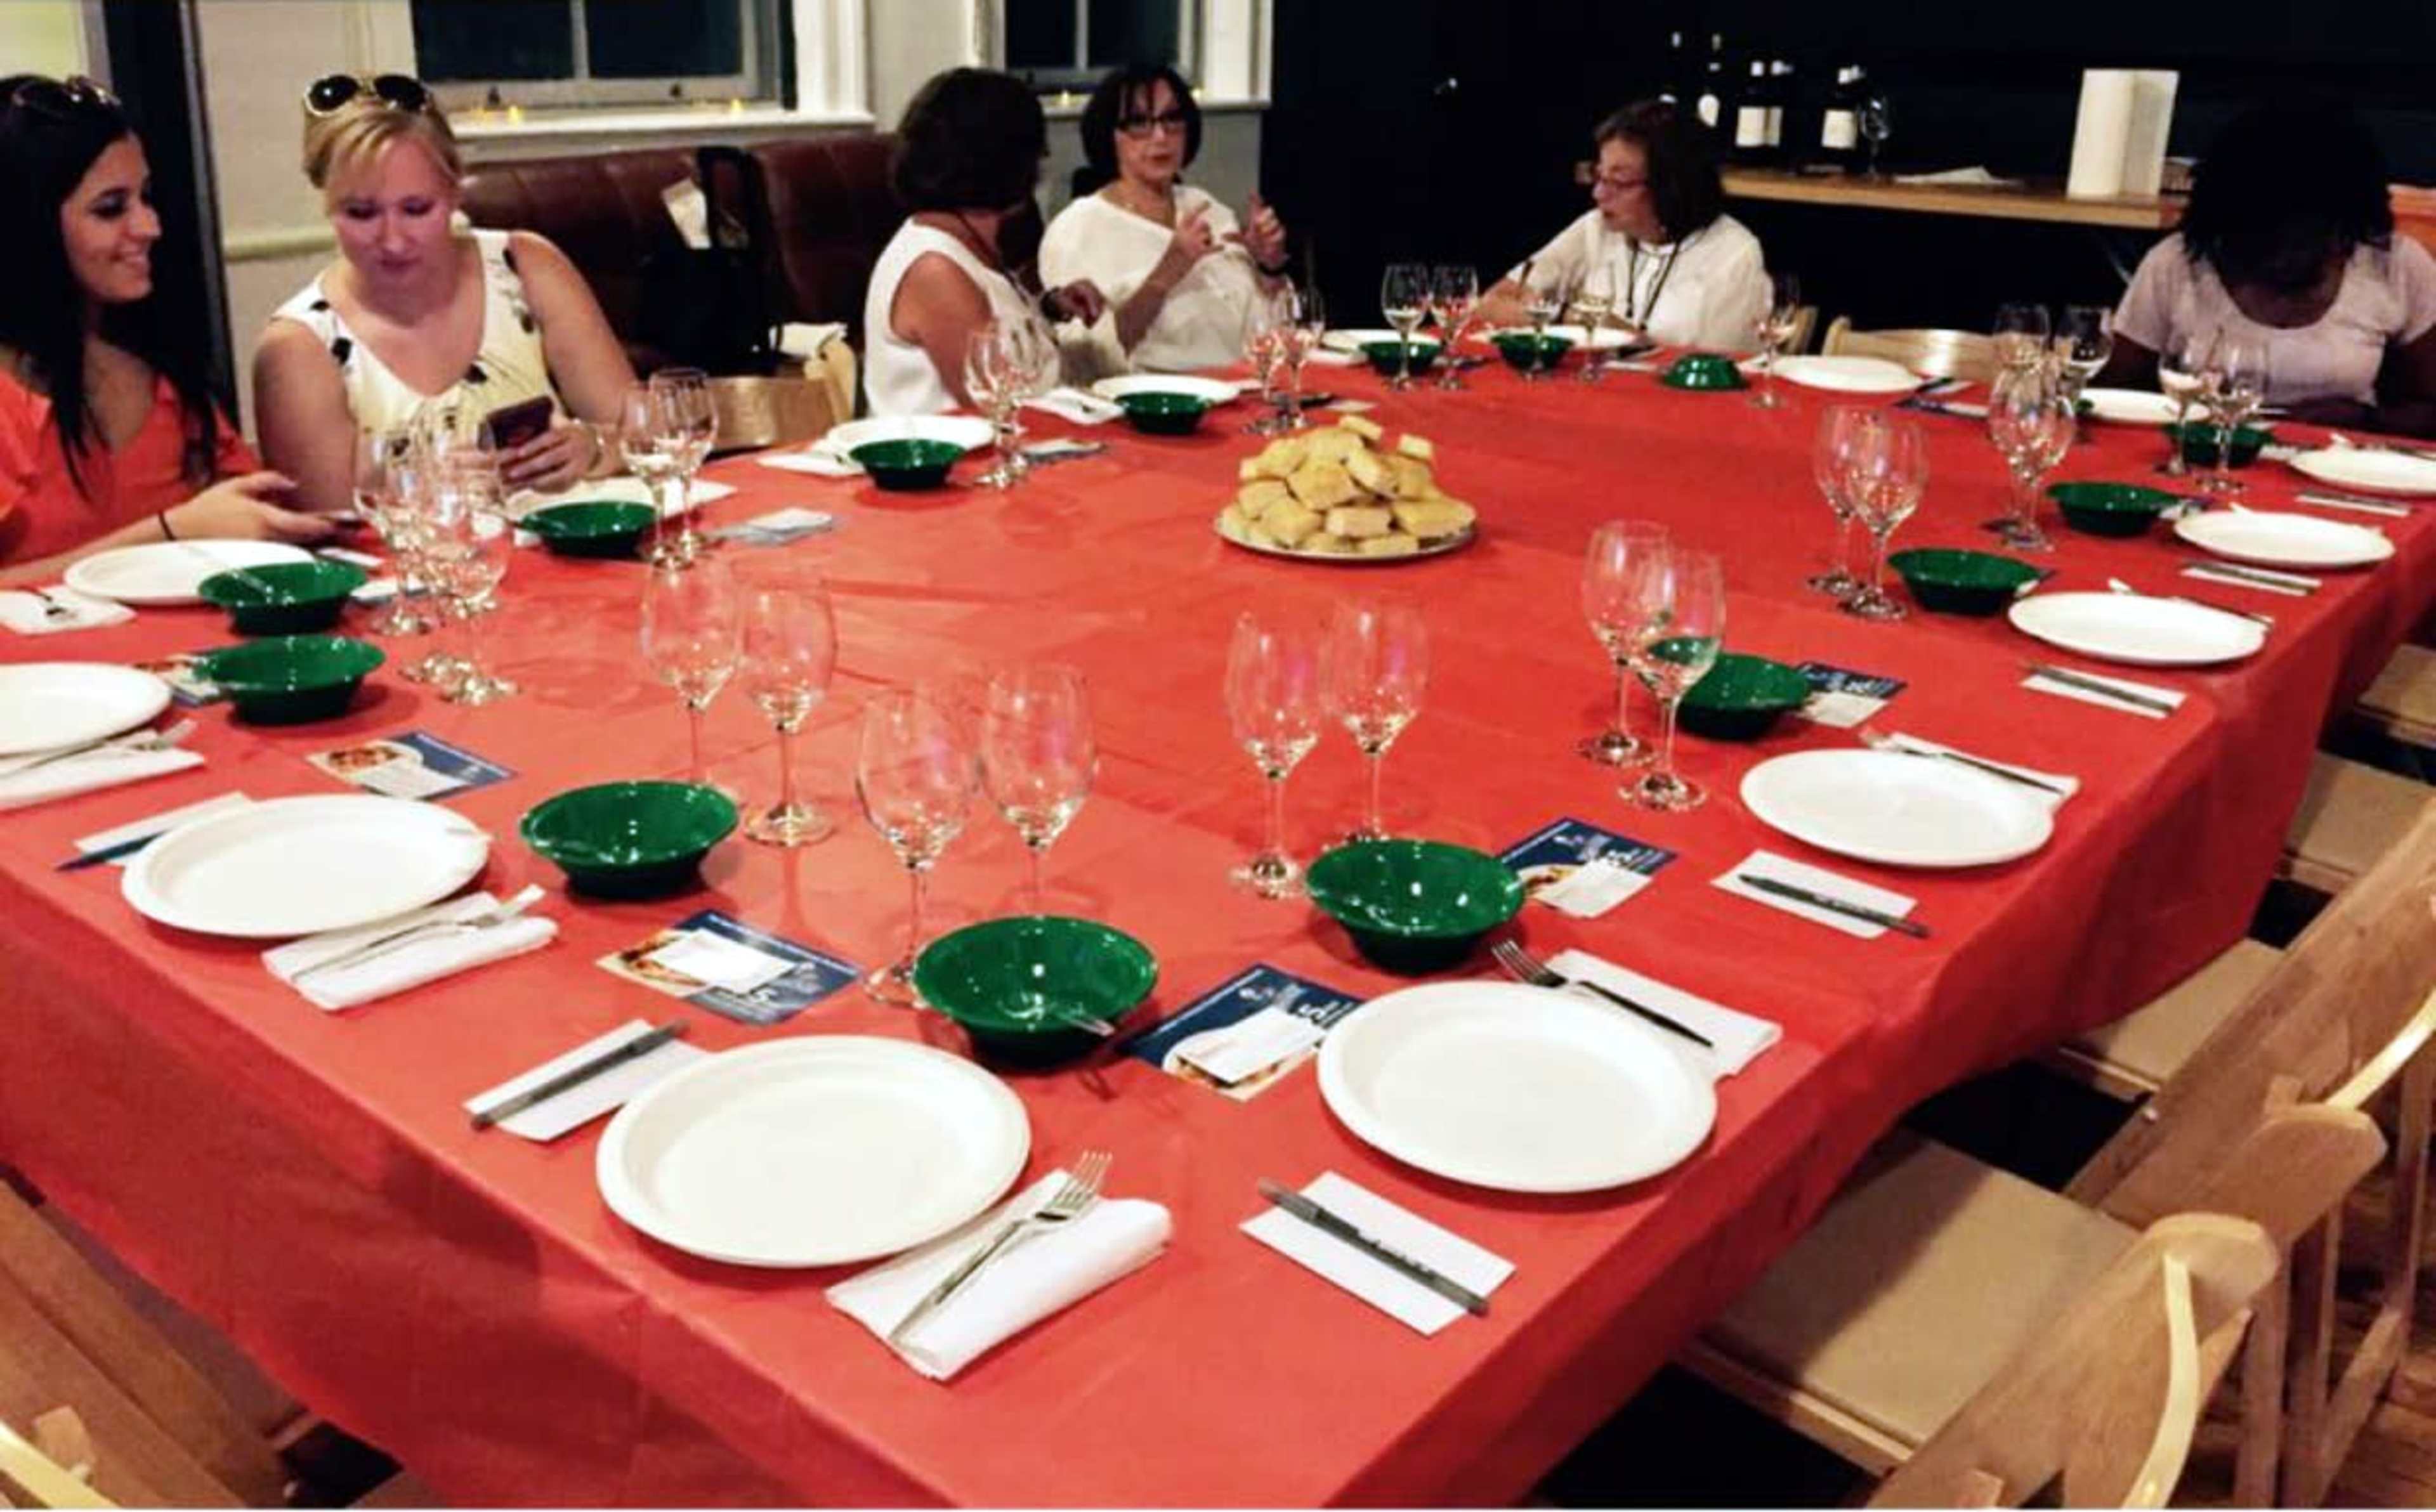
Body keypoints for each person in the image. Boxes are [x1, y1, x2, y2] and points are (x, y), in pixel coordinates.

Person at [0, 74, 332, 585]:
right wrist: (168, 534)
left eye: (145, 198)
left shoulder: (160, 375)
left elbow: (253, 517)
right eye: (111, 208)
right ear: (27, 227)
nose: (150, 227)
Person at [254, 73, 636, 511]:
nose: (393, 240)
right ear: (326, 203)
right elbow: (321, 530)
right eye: (361, 214)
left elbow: (644, 432)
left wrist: (592, 447)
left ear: (454, 193)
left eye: (416, 210)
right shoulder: (298, 346)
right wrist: (407, 485)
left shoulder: (526, 268)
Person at [2099, 103, 2436, 437]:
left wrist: (2367, 420)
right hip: (2202, 455)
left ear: (2346, 225)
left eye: (2305, 241)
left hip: (2341, 464)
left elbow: (2428, 409)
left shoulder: (2396, 264)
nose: (2282, 258)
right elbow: (2114, 396)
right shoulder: (2177, 263)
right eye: (2262, 240)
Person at [863, 68, 1108, 415]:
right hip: (955, 463)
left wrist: (1049, 309)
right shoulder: (935, 268)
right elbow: (998, 405)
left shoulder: (968, 241)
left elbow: (998, 338)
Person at [1039, 63, 1289, 375]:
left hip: (1244, 389)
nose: (1160, 136)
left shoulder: (1207, 208)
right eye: (1139, 122)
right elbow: (1085, 362)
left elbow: (1273, 333)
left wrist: (1268, 267)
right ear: (1109, 133)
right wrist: (1168, 271)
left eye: (1172, 119)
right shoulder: (1077, 229)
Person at [1476, 99, 1769, 353]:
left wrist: (1621, 335)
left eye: (1619, 182)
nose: (1599, 194)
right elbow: (1492, 302)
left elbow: (1723, 373)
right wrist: (1561, 316)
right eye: (1599, 176)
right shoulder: (1595, 228)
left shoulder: (1734, 253)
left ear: (1672, 186)